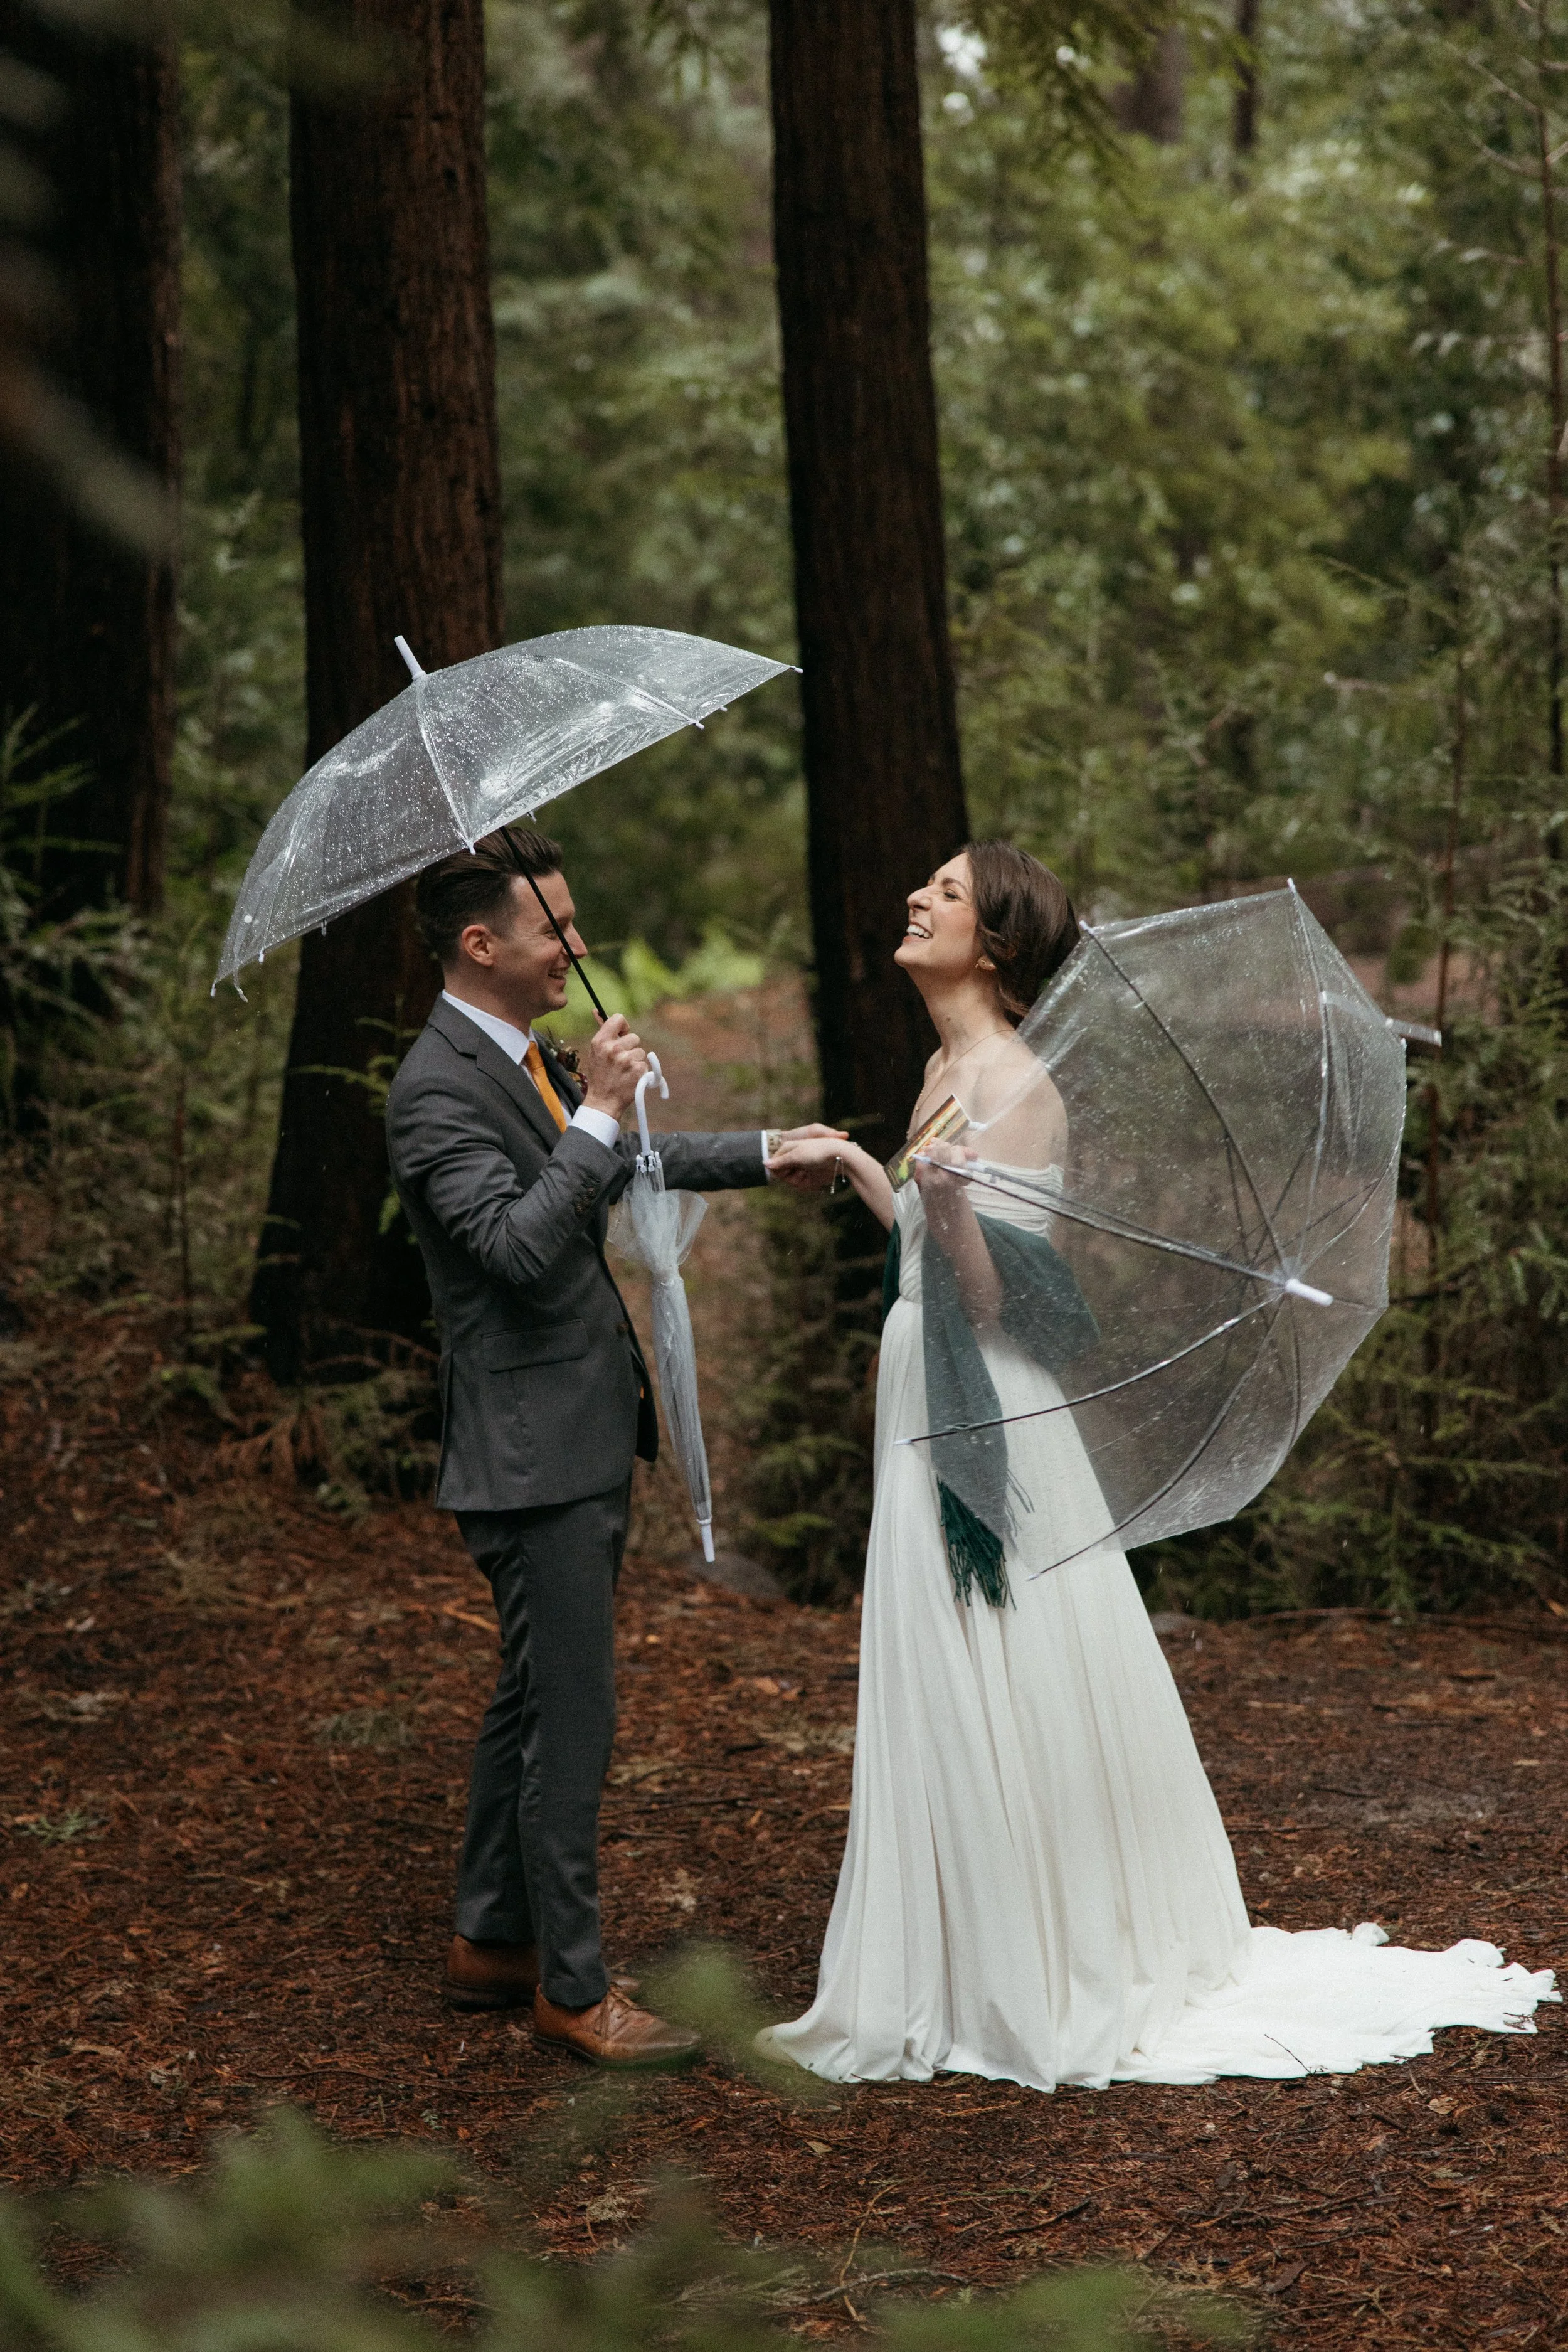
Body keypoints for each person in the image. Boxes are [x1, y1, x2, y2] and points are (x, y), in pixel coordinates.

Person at [759, 841, 1558, 2089]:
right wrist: (875, 1172)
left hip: (990, 1420)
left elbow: (997, 1302)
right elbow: (924, 1244)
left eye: (949, 893)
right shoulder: (937, 1067)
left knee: (995, 1653)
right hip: (921, 1393)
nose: (916, 896)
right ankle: (963, 1932)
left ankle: (1028, 1955)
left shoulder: (1019, 1085)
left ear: (999, 942)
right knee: (943, 1654)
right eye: (923, 883)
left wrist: (957, 1203)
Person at [384, 825, 843, 2069]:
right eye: (557, 931)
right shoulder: (434, 1089)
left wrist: (763, 1152)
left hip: (574, 1432)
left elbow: (615, 1167)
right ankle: (572, 1989)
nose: (576, 948)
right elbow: (522, 1247)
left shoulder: (516, 1058)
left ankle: (492, 1940)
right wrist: (590, 1104)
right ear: (481, 944)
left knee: (530, 1697)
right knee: (570, 1718)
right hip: (530, 1451)